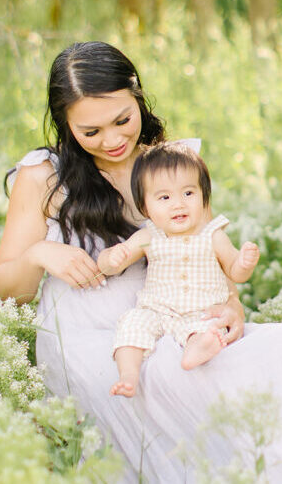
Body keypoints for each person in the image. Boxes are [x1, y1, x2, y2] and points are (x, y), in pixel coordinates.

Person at [0, 41, 282, 483]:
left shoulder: (167, 162)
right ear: (65, 124)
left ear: (138, 95)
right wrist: (41, 251)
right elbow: (7, 288)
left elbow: (204, 246)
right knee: (185, 381)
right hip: (93, 339)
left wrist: (231, 305)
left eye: (123, 120)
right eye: (91, 132)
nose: (112, 140)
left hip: (176, 317)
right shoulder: (43, 176)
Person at [98, 142, 260, 397]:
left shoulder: (212, 235)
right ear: (145, 207)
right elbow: (110, 264)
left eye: (188, 193)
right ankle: (128, 375)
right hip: (157, 310)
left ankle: (198, 348)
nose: (178, 204)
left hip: (201, 311)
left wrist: (243, 263)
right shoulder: (148, 236)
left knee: (208, 328)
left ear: (204, 196)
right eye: (164, 197)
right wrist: (112, 257)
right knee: (132, 325)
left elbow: (233, 271)